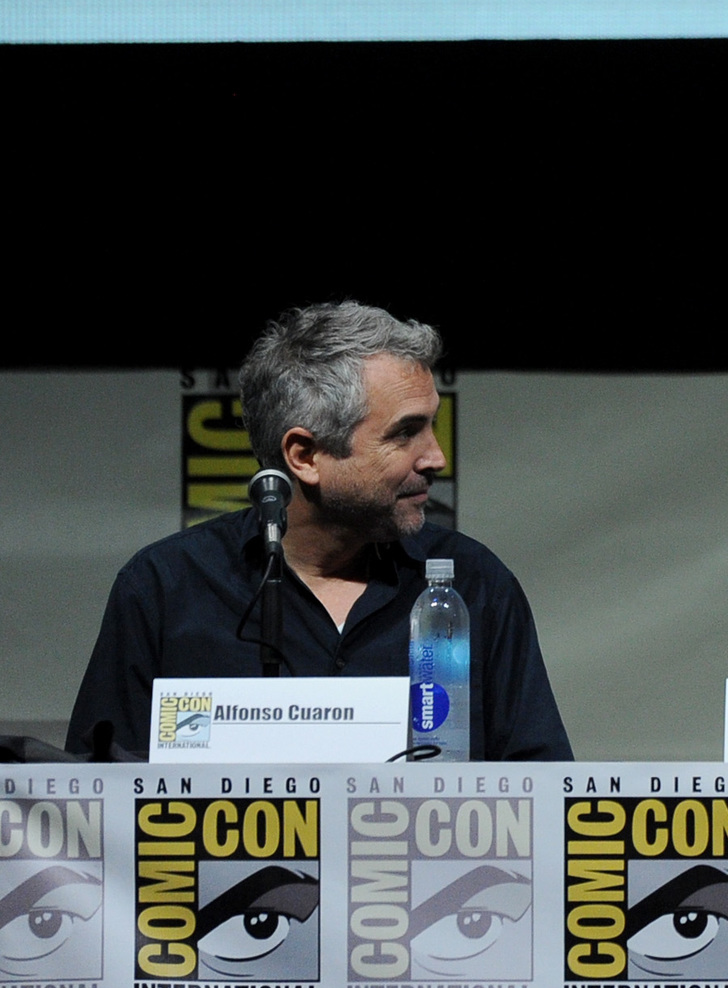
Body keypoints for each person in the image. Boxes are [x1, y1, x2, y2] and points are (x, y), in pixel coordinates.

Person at [66, 302, 572, 761]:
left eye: (431, 426)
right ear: (305, 456)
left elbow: (543, 794)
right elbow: (91, 809)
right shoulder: (164, 588)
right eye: (404, 432)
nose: (436, 457)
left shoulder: (475, 584)